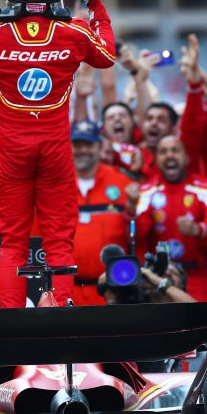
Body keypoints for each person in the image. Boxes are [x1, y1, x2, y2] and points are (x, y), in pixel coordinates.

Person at [0, 0, 116, 308]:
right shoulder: (74, 32)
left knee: (12, 241)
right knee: (58, 241)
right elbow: (106, 55)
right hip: (56, 151)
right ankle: (58, 317)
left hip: (11, 152)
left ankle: (13, 325)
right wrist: (97, 9)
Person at [135, 135, 207, 302]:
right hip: (157, 276)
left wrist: (198, 229)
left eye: (175, 150)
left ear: (186, 158)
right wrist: (130, 207)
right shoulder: (146, 191)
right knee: (162, 328)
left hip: (198, 276)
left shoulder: (205, 189)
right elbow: (138, 233)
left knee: (202, 326)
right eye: (163, 151)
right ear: (156, 159)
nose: (169, 155)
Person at [68, 120, 132, 306]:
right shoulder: (54, 184)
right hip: (66, 290)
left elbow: (141, 234)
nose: (83, 150)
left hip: (113, 291)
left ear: (99, 146)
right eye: (77, 145)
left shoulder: (123, 183)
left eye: (88, 144)